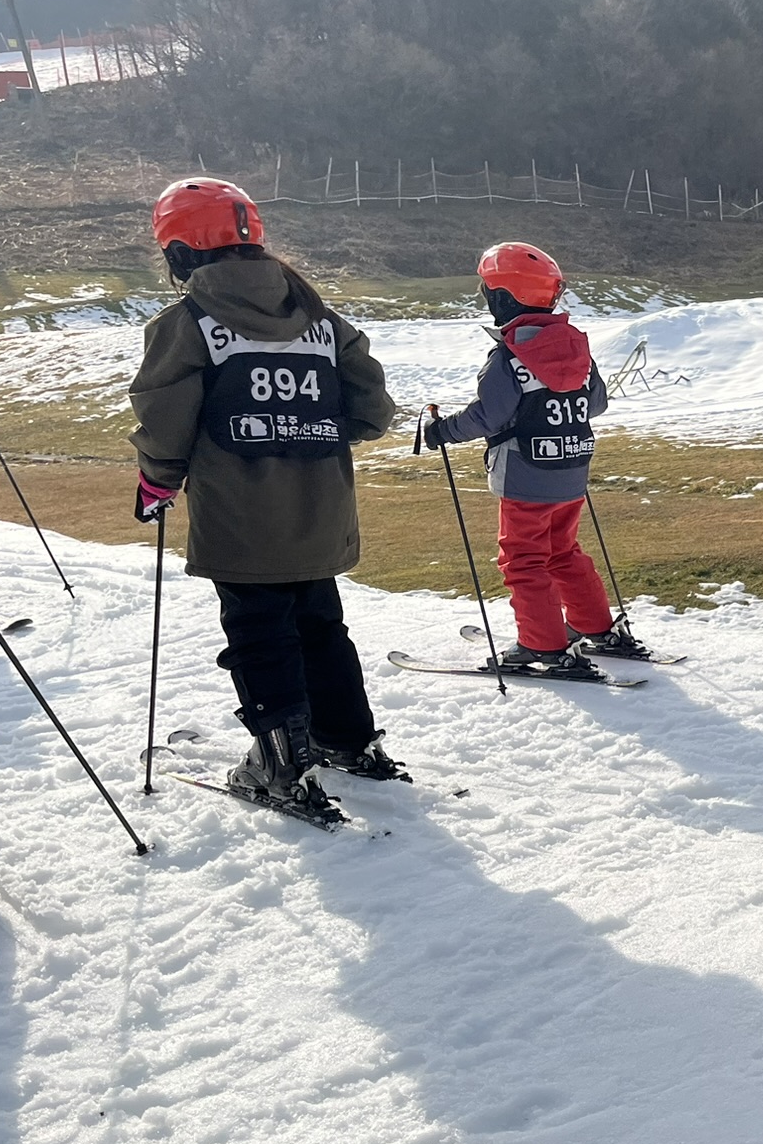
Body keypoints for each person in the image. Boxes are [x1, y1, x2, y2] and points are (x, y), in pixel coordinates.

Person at [129, 177, 401, 821]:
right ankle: (351, 740)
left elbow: (164, 420)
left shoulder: (188, 323)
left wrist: (158, 481)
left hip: (241, 519)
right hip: (321, 511)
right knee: (321, 628)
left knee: (258, 635)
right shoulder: (318, 317)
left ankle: (281, 764)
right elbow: (372, 412)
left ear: (179, 251)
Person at [422, 243, 642, 670]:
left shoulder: (508, 356)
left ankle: (543, 646)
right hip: (572, 469)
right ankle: (596, 627)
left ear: (502, 298)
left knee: (523, 560)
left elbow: (488, 416)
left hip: (524, 475)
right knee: (563, 552)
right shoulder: (577, 349)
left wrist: (441, 431)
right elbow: (595, 404)